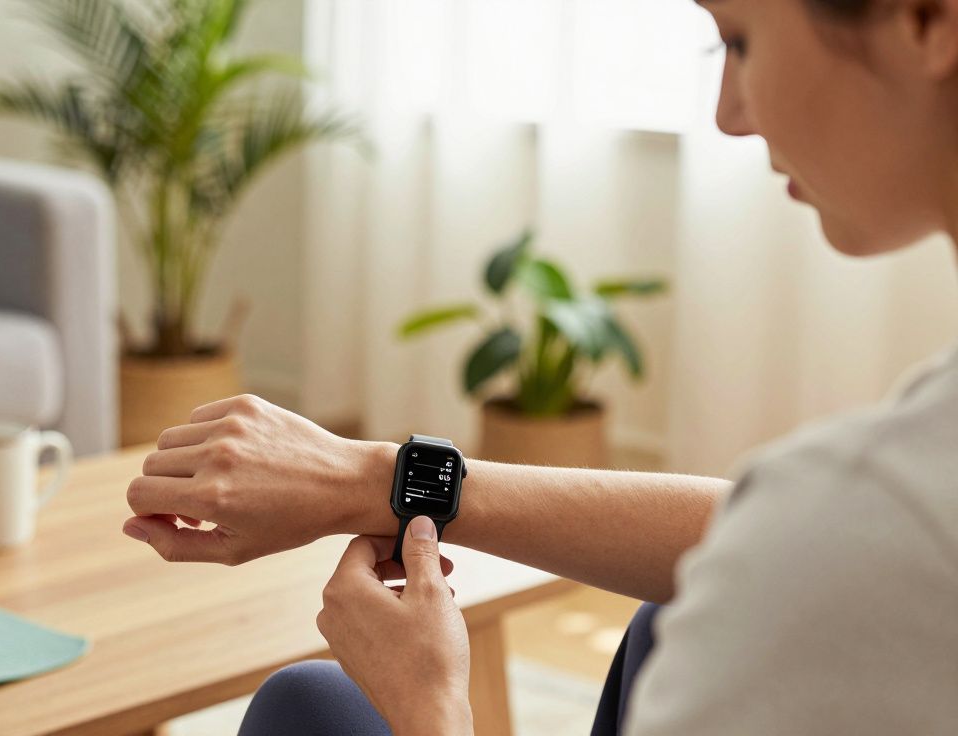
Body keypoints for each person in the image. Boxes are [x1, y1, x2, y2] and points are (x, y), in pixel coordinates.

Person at [121, 0, 958, 732]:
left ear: (928, 20)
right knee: (667, 616)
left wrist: (431, 703)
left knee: (313, 710)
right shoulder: (869, 507)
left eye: (737, 41)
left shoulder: (887, 510)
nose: (728, 115)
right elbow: (768, 536)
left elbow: (817, 540)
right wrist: (378, 476)